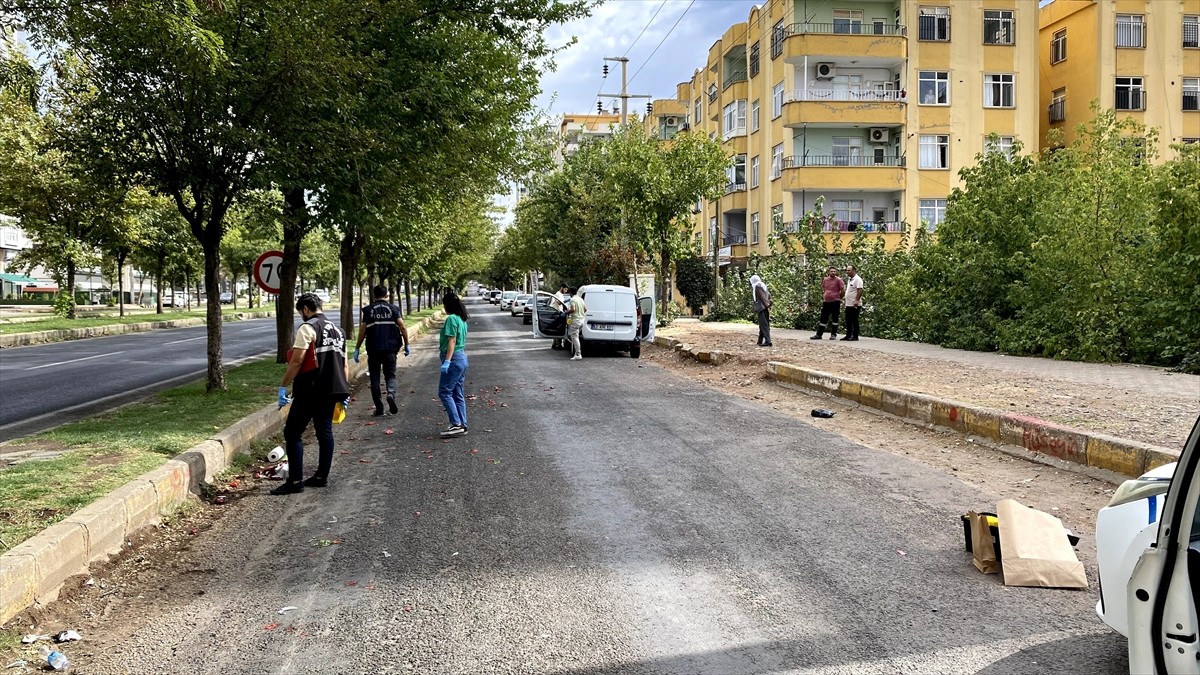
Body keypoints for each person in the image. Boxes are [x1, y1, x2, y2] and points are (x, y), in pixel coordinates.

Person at [275, 292, 350, 494]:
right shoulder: (339, 331)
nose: (301, 316)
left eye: (301, 312)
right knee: (324, 431)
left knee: (292, 432)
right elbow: (344, 364)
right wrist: (345, 390)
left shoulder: (308, 328)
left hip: (310, 389)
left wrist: (284, 385)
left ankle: (295, 481)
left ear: (305, 309)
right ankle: (320, 477)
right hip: (333, 389)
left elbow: (297, 361)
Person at [352, 285, 411, 417]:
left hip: (373, 350)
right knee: (390, 375)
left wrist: (357, 348)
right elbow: (402, 326)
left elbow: (363, 330)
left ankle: (379, 409)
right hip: (390, 349)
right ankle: (391, 393)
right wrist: (407, 343)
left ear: (374, 295)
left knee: (375, 378)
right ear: (387, 295)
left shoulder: (368, 310)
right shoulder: (394, 309)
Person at [437, 292, 470, 437]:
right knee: (457, 393)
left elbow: (452, 341)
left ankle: (456, 424)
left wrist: (447, 361)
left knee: (444, 392)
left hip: (454, 358)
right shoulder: (461, 319)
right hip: (461, 357)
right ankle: (462, 424)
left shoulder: (451, 319)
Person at [811, 266, 845, 340]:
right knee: (823, 318)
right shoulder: (825, 280)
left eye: (834, 271)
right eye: (831, 271)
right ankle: (819, 334)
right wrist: (824, 295)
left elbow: (842, 290)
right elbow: (823, 288)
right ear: (828, 272)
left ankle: (833, 334)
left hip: (835, 301)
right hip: (826, 302)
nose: (833, 273)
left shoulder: (838, 280)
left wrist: (839, 298)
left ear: (836, 272)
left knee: (835, 318)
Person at [841, 264, 864, 341]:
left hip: (854, 303)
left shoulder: (857, 279)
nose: (847, 272)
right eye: (846, 270)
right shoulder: (850, 279)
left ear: (854, 271)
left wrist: (856, 300)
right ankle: (848, 335)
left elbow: (860, 290)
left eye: (849, 270)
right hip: (848, 303)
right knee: (848, 319)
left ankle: (855, 336)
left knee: (854, 319)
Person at [565, 287, 587, 360]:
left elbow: (573, 309)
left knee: (574, 337)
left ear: (570, 293)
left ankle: (578, 354)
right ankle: (577, 353)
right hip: (582, 320)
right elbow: (585, 309)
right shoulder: (581, 299)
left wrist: (566, 312)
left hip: (576, 320)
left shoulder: (573, 299)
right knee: (575, 336)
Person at [750, 274, 772, 347]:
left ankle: (768, 341)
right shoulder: (763, 285)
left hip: (762, 307)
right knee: (763, 324)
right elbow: (768, 295)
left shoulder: (757, 286)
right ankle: (760, 340)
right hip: (765, 307)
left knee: (763, 325)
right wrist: (769, 306)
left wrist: (767, 305)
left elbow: (762, 297)